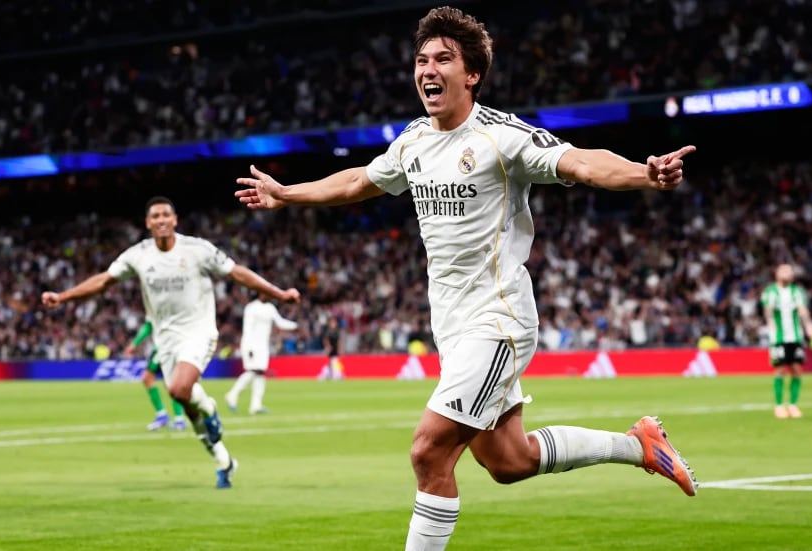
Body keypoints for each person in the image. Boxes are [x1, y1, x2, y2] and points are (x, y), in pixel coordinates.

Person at [235, 7, 697, 549]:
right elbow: (360, 179)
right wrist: (288, 193)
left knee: (429, 451)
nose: (428, 69)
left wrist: (644, 174)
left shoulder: (502, 137)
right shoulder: (412, 141)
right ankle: (639, 445)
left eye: (443, 59)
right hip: (452, 328)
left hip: (497, 318)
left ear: (471, 74)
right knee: (508, 460)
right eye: (422, 59)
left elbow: (581, 162)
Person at [41, 196, 300, 488]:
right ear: (148, 223)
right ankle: (224, 461)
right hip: (164, 339)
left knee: (178, 387)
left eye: (166, 214)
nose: (161, 220)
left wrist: (278, 293)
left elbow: (236, 272)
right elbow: (103, 281)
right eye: (155, 216)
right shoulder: (138, 255)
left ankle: (212, 409)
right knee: (183, 400)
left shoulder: (197, 250)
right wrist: (62, 297)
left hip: (198, 331)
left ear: (175, 220)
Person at [225, 291, 299, 414]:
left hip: (263, 345)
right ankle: (232, 394)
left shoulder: (270, 308)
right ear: (261, 294)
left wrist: (295, 326)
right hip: (251, 345)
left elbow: (279, 322)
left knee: (260, 373)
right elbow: (247, 329)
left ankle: (256, 405)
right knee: (253, 371)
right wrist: (248, 348)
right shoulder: (251, 308)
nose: (268, 295)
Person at [760, 263, 812, 419]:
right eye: (784, 270)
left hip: (795, 337)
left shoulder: (797, 292)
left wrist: (809, 325)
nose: (788, 273)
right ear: (777, 273)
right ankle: (779, 406)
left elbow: (803, 310)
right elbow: (768, 309)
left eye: (790, 271)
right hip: (778, 337)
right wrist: (770, 322)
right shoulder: (770, 292)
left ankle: (793, 405)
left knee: (797, 369)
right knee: (780, 369)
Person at [123, 319, 188, 430]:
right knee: (168, 381)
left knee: (148, 377)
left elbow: (149, 326)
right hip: (172, 344)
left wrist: (134, 344)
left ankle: (167, 416)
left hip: (164, 347)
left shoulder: (154, 304)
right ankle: (178, 419)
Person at [317, 316, 345, 380]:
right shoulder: (328, 331)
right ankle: (333, 374)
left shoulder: (337, 331)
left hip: (335, 348)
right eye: (332, 323)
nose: (333, 324)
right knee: (332, 362)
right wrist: (328, 346)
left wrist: (339, 349)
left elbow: (339, 341)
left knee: (335, 361)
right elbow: (325, 340)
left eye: (334, 323)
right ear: (330, 323)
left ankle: (336, 374)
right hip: (331, 349)